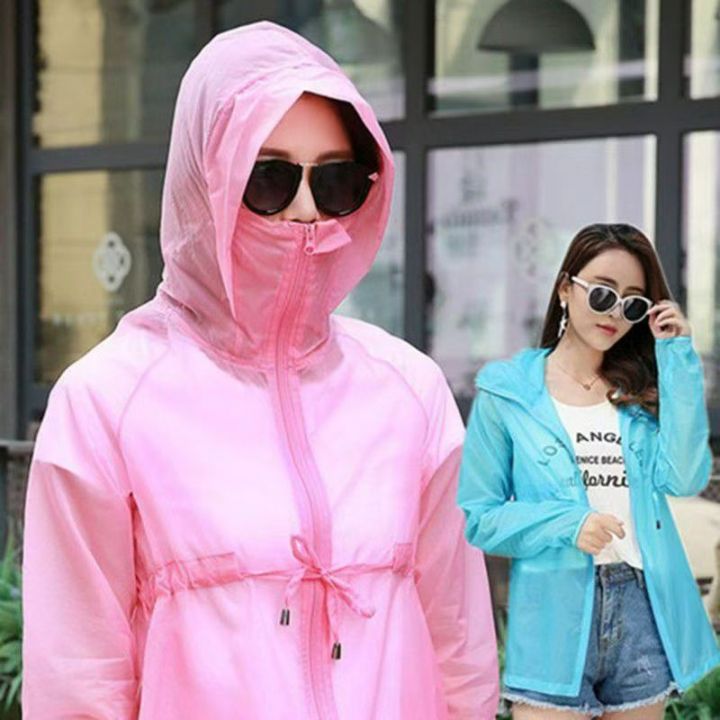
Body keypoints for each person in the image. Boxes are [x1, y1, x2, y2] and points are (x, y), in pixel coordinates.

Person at [22, 21, 499, 720]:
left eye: (335, 180)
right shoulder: (107, 400)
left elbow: (460, 649)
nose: (306, 209)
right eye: (268, 176)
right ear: (204, 181)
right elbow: (78, 682)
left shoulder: (409, 392)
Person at [458, 223, 720, 719]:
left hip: (641, 605)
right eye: (602, 294)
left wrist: (678, 360)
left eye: (633, 304)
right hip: (552, 613)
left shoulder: (641, 390)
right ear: (565, 289)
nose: (615, 313)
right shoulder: (508, 391)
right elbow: (480, 518)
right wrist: (568, 524)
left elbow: (684, 478)